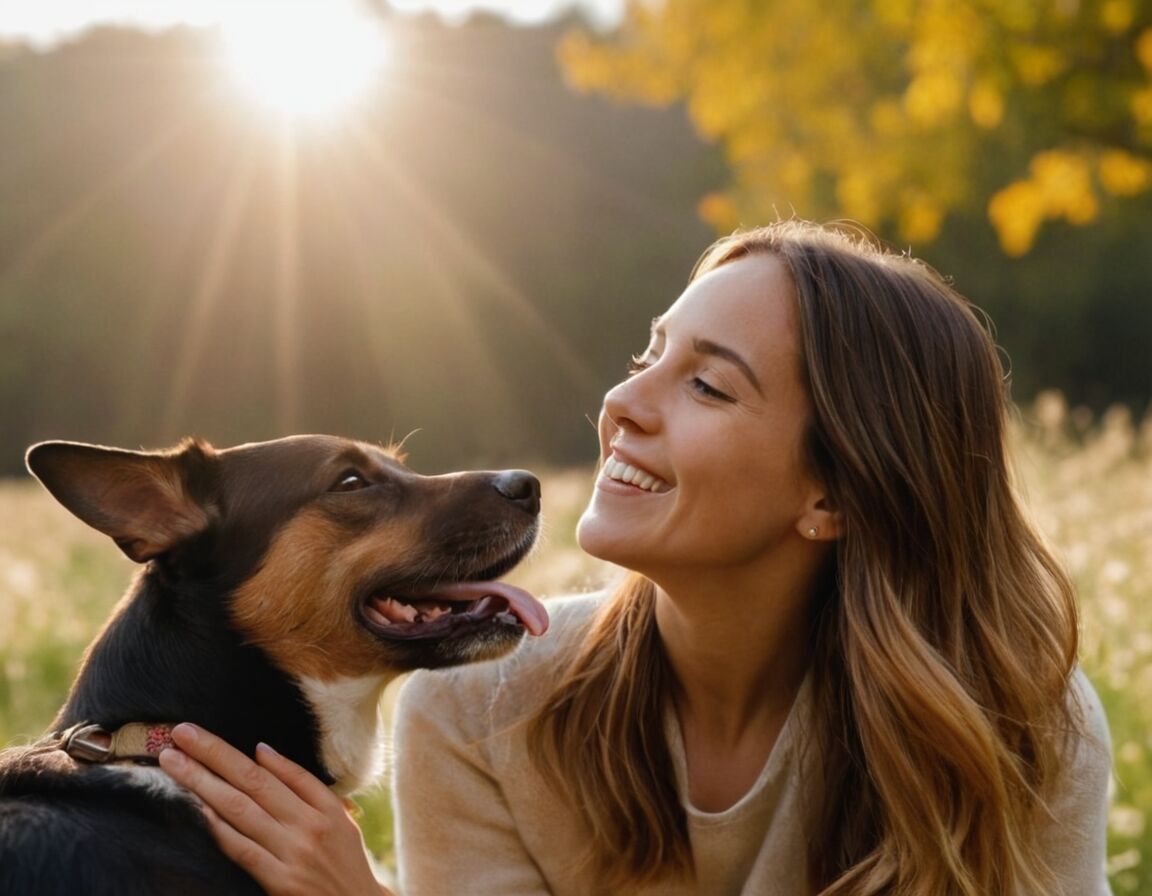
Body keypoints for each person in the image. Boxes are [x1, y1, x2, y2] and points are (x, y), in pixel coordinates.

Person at [161, 220, 1112, 896]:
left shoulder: (1015, 721)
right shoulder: (481, 703)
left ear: (836, 495)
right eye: (646, 354)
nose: (625, 403)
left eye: (705, 385)